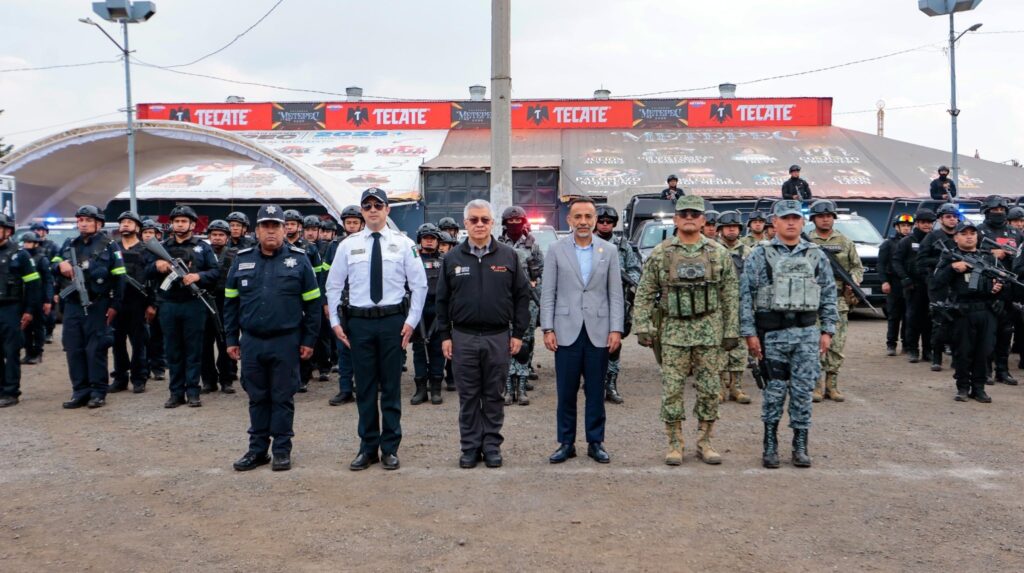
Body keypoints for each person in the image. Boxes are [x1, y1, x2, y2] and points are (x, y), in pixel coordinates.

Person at [633, 195, 739, 466]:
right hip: (674, 334)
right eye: (684, 213)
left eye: (695, 213)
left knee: (708, 388)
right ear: (676, 219)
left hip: (709, 332)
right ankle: (675, 443)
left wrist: (731, 331)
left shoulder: (718, 253)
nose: (689, 217)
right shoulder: (662, 253)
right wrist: (643, 326)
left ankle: (705, 441)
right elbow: (645, 292)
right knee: (672, 390)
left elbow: (730, 295)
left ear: (704, 219)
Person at [326, 188, 427, 472]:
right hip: (359, 323)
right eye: (367, 206)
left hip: (392, 322)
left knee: (391, 387)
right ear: (361, 211)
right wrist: (335, 321)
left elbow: (419, 285)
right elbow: (334, 286)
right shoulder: (348, 245)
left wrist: (411, 321)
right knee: (366, 387)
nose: (372, 210)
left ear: (387, 210)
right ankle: (367, 447)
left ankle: (390, 448)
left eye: (378, 205)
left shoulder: (404, 244)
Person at [739, 199, 838, 468]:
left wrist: (828, 330)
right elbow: (745, 296)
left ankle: (800, 445)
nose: (791, 222)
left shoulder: (816, 254)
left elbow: (829, 294)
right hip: (772, 335)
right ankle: (770, 444)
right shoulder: (760, 254)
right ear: (775, 223)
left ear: (803, 222)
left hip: (806, 334)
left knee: (803, 391)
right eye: (785, 218)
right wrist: (749, 333)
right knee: (774, 391)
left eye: (795, 217)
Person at [225, 204, 322, 472]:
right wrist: (231, 339)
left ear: (285, 229)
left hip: (286, 341)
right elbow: (230, 304)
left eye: (276, 226)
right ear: (256, 230)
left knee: (282, 397)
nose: (271, 231)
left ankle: (281, 450)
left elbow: (314, 305)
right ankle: (257, 451)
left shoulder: (300, 260)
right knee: (256, 397)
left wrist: (309, 340)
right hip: (252, 341)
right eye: (266, 226)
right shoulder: (241, 259)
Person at [436, 199, 530, 469]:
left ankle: (491, 447)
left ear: (492, 223)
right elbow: (441, 300)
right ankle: (469, 448)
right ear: (465, 224)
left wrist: (518, 333)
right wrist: (445, 335)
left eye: (484, 220)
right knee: (468, 397)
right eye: (474, 220)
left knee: (493, 395)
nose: (479, 224)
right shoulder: (452, 259)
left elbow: (522, 297)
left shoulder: (509, 256)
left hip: (498, 337)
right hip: (463, 337)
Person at [540, 197, 624, 464]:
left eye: (589, 217)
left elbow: (616, 294)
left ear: (595, 220)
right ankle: (566, 443)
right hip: (566, 330)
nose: (584, 222)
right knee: (566, 391)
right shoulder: (555, 249)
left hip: (599, 332)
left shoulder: (608, 251)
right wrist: (548, 328)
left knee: (596, 391)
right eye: (578, 217)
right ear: (569, 220)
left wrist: (616, 329)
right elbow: (548, 292)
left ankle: (595, 441)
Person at [147, 205, 220, 409]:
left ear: (192, 224)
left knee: (193, 350)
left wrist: (198, 276)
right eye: (177, 221)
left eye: (184, 221)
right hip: (169, 304)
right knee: (172, 350)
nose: (180, 224)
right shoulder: (162, 247)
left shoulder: (203, 247)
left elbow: (216, 272)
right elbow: (145, 271)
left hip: (194, 304)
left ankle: (193, 392)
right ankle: (176, 393)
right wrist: (156, 266)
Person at [55, 206, 125, 409]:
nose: (83, 223)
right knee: (73, 349)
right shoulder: (69, 244)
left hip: (97, 304)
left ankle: (98, 391)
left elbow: (120, 278)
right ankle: (80, 391)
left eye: (88, 220)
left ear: (99, 223)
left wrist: (115, 305)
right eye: (80, 220)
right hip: (73, 305)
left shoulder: (109, 245)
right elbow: (53, 266)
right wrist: (60, 266)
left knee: (95, 349)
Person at [930, 221, 999, 403]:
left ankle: (979, 388)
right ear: (956, 237)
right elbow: (936, 282)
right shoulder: (949, 258)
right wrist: (952, 268)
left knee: (984, 352)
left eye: (972, 233)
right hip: (962, 312)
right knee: (963, 351)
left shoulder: (988, 258)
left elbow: (1001, 281)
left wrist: (999, 287)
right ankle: (962, 387)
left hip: (985, 310)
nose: (969, 236)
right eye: (964, 233)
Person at [807, 199, 863, 402]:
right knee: (813, 345)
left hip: (838, 301)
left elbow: (857, 267)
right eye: (821, 216)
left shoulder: (845, 241)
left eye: (828, 216)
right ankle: (816, 385)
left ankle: (832, 385)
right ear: (813, 219)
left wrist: (854, 280)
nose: (825, 219)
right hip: (811, 301)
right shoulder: (805, 241)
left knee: (836, 345)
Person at [594, 205, 642, 404]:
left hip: (617, 301)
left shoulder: (623, 245)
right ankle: (593, 381)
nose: (605, 225)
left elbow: (635, 270)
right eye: (601, 221)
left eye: (609, 222)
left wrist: (627, 279)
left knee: (614, 344)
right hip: (592, 302)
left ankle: (611, 383)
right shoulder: (586, 242)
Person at [498, 206, 544, 406]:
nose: (515, 225)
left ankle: (523, 379)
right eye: (511, 221)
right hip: (505, 300)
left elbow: (541, 271)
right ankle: (508, 385)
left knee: (527, 339)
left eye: (518, 221)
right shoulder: (498, 244)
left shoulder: (533, 246)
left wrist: (537, 290)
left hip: (528, 299)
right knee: (507, 340)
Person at [975, 195, 1021, 385]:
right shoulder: (977, 232)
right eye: (995, 210)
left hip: (1010, 289)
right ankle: (984, 370)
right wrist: (989, 253)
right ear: (987, 211)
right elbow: (966, 253)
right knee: (987, 332)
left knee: (1006, 332)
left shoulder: (1015, 233)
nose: (999, 213)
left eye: (1002, 210)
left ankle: (1002, 371)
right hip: (987, 287)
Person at [283, 209, 327, 392]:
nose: (289, 227)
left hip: (307, 298)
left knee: (308, 337)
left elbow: (318, 275)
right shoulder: (279, 246)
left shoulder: (310, 248)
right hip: (287, 299)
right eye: (286, 224)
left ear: (299, 227)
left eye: (292, 224)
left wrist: (317, 300)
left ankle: (304, 376)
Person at [0, 219, 42, 407]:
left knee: (11, 351)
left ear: (8, 231)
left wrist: (29, 311)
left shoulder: (20, 255)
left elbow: (33, 285)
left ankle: (10, 392)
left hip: (11, 308)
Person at [110, 211, 152, 394]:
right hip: (117, 303)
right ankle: (120, 378)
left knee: (139, 343)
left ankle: (139, 378)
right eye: (123, 222)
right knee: (117, 342)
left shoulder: (146, 250)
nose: (125, 224)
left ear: (137, 227)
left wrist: (152, 304)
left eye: (130, 222)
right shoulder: (112, 248)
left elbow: (153, 280)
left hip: (138, 303)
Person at [327, 205, 364, 407]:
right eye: (348, 222)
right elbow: (327, 277)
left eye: (355, 222)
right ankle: (345, 389)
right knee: (343, 349)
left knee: (363, 348)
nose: (351, 226)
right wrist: (327, 304)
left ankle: (363, 387)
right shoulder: (335, 245)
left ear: (361, 224)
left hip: (361, 303)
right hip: (342, 303)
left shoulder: (367, 243)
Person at [715, 210, 752, 404]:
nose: (731, 230)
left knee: (740, 347)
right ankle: (720, 387)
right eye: (728, 227)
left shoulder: (747, 252)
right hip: (719, 306)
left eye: (735, 227)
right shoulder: (713, 250)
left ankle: (736, 387)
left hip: (741, 305)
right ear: (720, 229)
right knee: (720, 346)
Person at [917, 203, 960, 370]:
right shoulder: (933, 237)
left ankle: (957, 357)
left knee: (958, 320)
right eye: (948, 216)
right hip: (938, 284)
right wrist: (944, 261)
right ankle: (936, 357)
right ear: (941, 219)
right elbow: (921, 260)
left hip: (957, 284)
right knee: (939, 320)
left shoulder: (961, 234)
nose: (952, 220)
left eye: (955, 217)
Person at [892, 209, 938, 364]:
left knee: (930, 319)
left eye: (930, 223)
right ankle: (912, 349)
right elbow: (896, 261)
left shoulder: (935, 240)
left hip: (931, 285)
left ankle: (927, 350)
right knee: (913, 318)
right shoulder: (907, 241)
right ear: (917, 223)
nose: (927, 225)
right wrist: (904, 278)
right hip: (913, 285)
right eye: (924, 222)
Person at [410, 223, 446, 406]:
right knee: (418, 351)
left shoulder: (446, 260)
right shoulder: (412, 259)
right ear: (420, 240)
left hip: (438, 310)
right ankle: (421, 389)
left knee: (438, 350)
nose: (429, 241)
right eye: (426, 238)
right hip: (418, 310)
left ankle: (436, 389)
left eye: (433, 238)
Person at [200, 219, 237, 394]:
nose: (217, 238)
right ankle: (208, 380)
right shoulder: (201, 254)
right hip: (204, 302)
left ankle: (227, 379)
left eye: (221, 235)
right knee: (204, 345)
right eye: (214, 235)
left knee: (225, 342)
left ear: (227, 237)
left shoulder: (235, 254)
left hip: (225, 303)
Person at [879, 214, 914, 356]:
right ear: (896, 227)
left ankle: (906, 343)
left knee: (908, 315)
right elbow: (881, 264)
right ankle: (891, 344)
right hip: (894, 283)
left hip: (909, 283)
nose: (906, 228)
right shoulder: (888, 244)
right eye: (903, 226)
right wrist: (884, 281)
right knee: (894, 315)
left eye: (908, 226)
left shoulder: (913, 242)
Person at [18, 232, 52, 366]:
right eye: (24, 242)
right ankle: (28, 353)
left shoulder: (41, 259)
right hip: (25, 299)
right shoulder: (20, 258)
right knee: (25, 327)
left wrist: (48, 300)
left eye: (29, 242)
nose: (26, 245)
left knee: (37, 327)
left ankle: (38, 353)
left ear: (36, 243)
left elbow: (48, 281)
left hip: (39, 299)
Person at [140, 219, 166, 382]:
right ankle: (144, 368)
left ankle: (158, 367)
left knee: (157, 336)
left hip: (158, 298)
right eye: (145, 233)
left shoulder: (162, 252)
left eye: (152, 233)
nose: (148, 236)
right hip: (141, 297)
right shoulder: (138, 251)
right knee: (142, 337)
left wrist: (154, 303)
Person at [31, 222, 59, 345]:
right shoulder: (30, 246)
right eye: (37, 230)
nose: (39, 232)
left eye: (42, 230)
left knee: (49, 308)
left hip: (49, 280)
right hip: (33, 282)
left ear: (46, 232)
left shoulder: (52, 246)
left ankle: (49, 332)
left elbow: (57, 263)